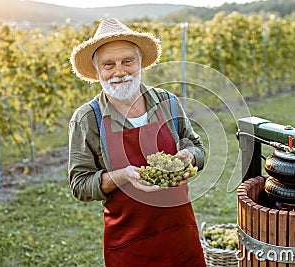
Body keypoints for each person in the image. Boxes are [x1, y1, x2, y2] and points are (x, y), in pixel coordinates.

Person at [68, 18, 207, 267]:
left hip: (181, 235)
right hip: (130, 244)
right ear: (97, 71)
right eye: (108, 64)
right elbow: (80, 184)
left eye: (127, 61)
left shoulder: (168, 102)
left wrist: (190, 157)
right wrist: (123, 175)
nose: (119, 72)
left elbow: (196, 147)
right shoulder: (88, 118)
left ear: (141, 63)